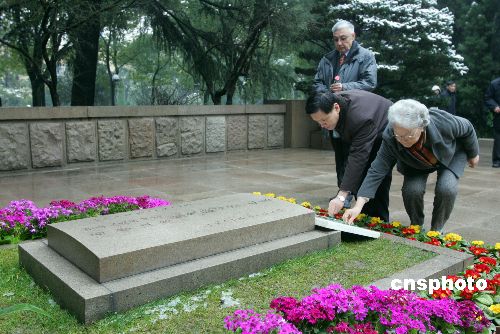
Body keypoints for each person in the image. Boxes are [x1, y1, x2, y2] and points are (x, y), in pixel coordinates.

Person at [342, 99, 480, 232]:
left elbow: (467, 127)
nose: (403, 141)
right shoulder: (390, 136)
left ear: (422, 126)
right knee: (412, 191)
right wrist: (358, 206)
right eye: (399, 135)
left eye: (408, 135)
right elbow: (376, 171)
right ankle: (416, 226)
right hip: (415, 163)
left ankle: (437, 230)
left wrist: (474, 154)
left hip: (449, 155)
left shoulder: (442, 121)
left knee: (447, 188)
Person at [312, 20, 378, 206]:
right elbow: (316, 82)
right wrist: (325, 94)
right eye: (336, 40)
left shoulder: (366, 56)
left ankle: (357, 193)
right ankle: (344, 193)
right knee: (340, 155)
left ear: (353, 36)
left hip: (353, 115)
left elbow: (370, 83)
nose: (340, 43)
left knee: (355, 155)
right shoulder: (327, 59)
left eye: (343, 38)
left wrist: (344, 88)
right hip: (332, 115)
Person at [306, 89, 393, 222]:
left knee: (373, 175)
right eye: (318, 122)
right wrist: (344, 190)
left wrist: (341, 196)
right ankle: (361, 214)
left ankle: (377, 220)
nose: (322, 125)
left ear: (336, 108)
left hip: (384, 130)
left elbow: (358, 158)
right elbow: (344, 159)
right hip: (363, 130)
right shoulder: (332, 109)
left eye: (324, 120)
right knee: (352, 173)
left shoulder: (361, 118)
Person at [484, 77, 500, 168]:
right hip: (499, 115)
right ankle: (497, 160)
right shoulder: (494, 84)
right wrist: (495, 106)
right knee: (498, 138)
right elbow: (488, 97)